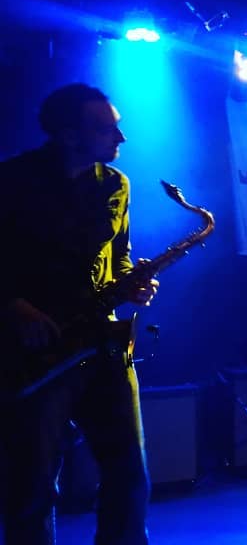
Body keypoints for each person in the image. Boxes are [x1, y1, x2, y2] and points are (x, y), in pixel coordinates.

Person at [0, 83, 159, 544]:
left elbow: (119, 255)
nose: (120, 138)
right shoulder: (12, 181)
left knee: (129, 473)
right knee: (32, 486)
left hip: (102, 341)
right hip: (39, 349)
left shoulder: (115, 184)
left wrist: (133, 282)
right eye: (107, 129)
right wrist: (14, 306)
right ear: (69, 135)